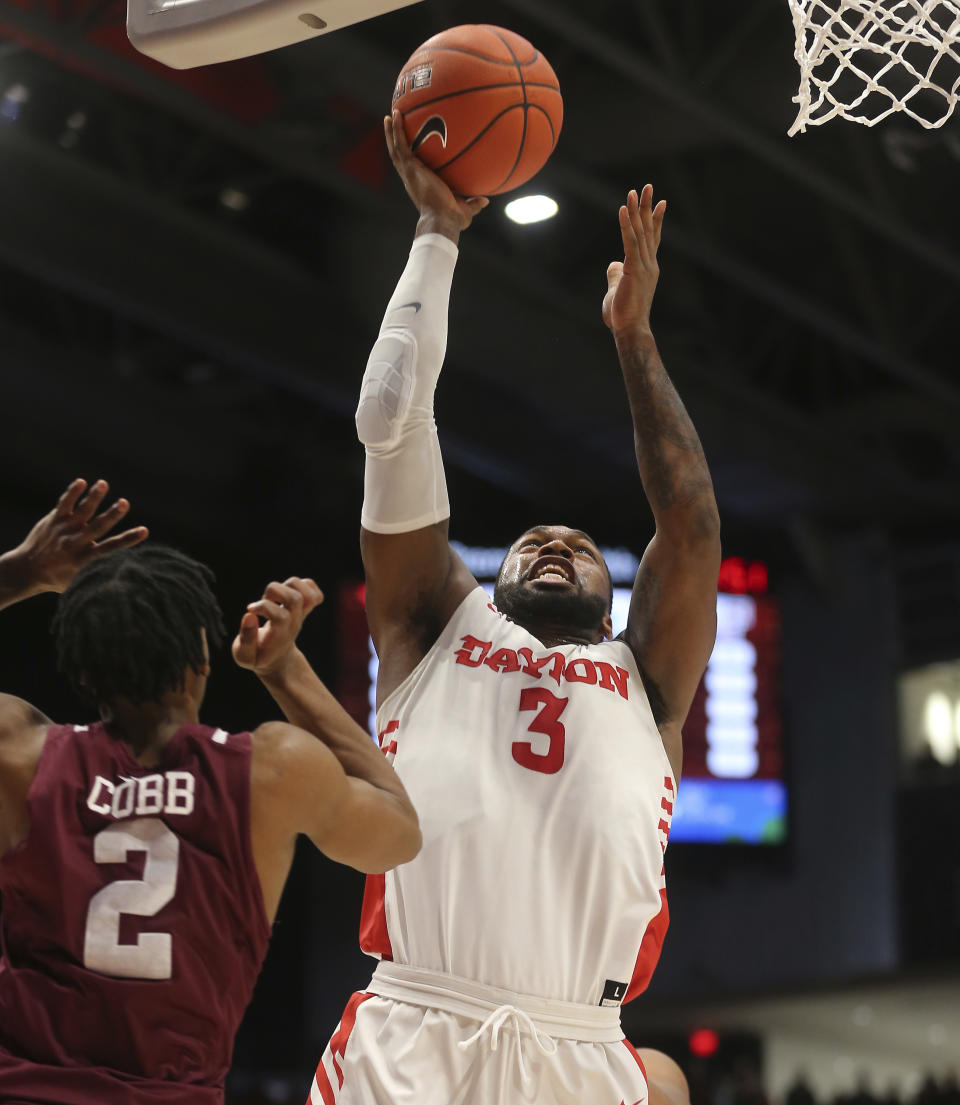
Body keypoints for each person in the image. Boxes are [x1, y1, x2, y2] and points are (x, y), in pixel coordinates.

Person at [281, 111, 720, 1104]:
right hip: (414, 1029)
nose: (553, 543)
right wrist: (436, 236)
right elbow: (390, 423)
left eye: (578, 545)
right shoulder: (433, 625)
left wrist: (635, 338)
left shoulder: (645, 683)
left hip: (578, 1043)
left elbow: (690, 527)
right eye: (531, 542)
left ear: (619, 599)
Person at [0, 478, 421, 1104]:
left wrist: (22, 571)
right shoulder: (273, 769)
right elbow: (398, 833)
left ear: (80, 667)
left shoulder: (18, 753)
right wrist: (285, 669)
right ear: (202, 654)